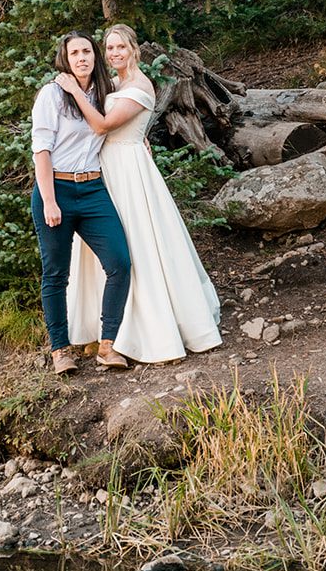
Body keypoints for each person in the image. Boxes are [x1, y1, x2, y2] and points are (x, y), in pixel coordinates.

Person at [59, 23, 222, 364]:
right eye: (109, 48)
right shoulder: (114, 84)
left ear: (134, 49)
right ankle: (100, 327)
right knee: (101, 247)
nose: (114, 53)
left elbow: (103, 125)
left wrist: (74, 91)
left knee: (137, 242)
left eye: (121, 47)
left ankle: (146, 329)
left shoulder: (141, 85)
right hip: (103, 167)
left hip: (129, 171)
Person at [31, 31, 133, 374]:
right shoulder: (52, 94)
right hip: (56, 189)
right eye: (74, 53)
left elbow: (113, 126)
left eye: (87, 51)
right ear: (66, 58)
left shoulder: (104, 92)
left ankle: (107, 345)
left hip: (92, 191)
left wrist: (141, 140)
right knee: (56, 274)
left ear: (95, 55)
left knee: (119, 261)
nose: (81, 58)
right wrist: (48, 201)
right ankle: (60, 350)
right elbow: (41, 150)